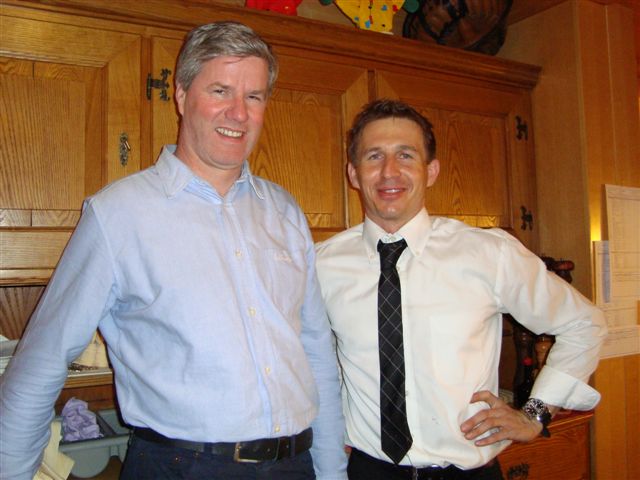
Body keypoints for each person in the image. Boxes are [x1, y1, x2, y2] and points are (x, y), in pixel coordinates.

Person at [0, 22, 347, 480]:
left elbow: (316, 350)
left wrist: (332, 470)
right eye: (220, 91)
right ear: (182, 96)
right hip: (181, 466)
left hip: (295, 465)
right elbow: (42, 360)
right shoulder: (118, 213)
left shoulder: (285, 211)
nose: (238, 113)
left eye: (254, 96)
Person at [315, 99, 606, 480]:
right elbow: (318, 360)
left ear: (431, 171)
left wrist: (535, 414)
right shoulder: (322, 265)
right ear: (354, 173)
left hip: (468, 472)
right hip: (370, 471)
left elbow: (585, 324)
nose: (389, 171)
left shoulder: (489, 253)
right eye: (374, 156)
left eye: (406, 155)